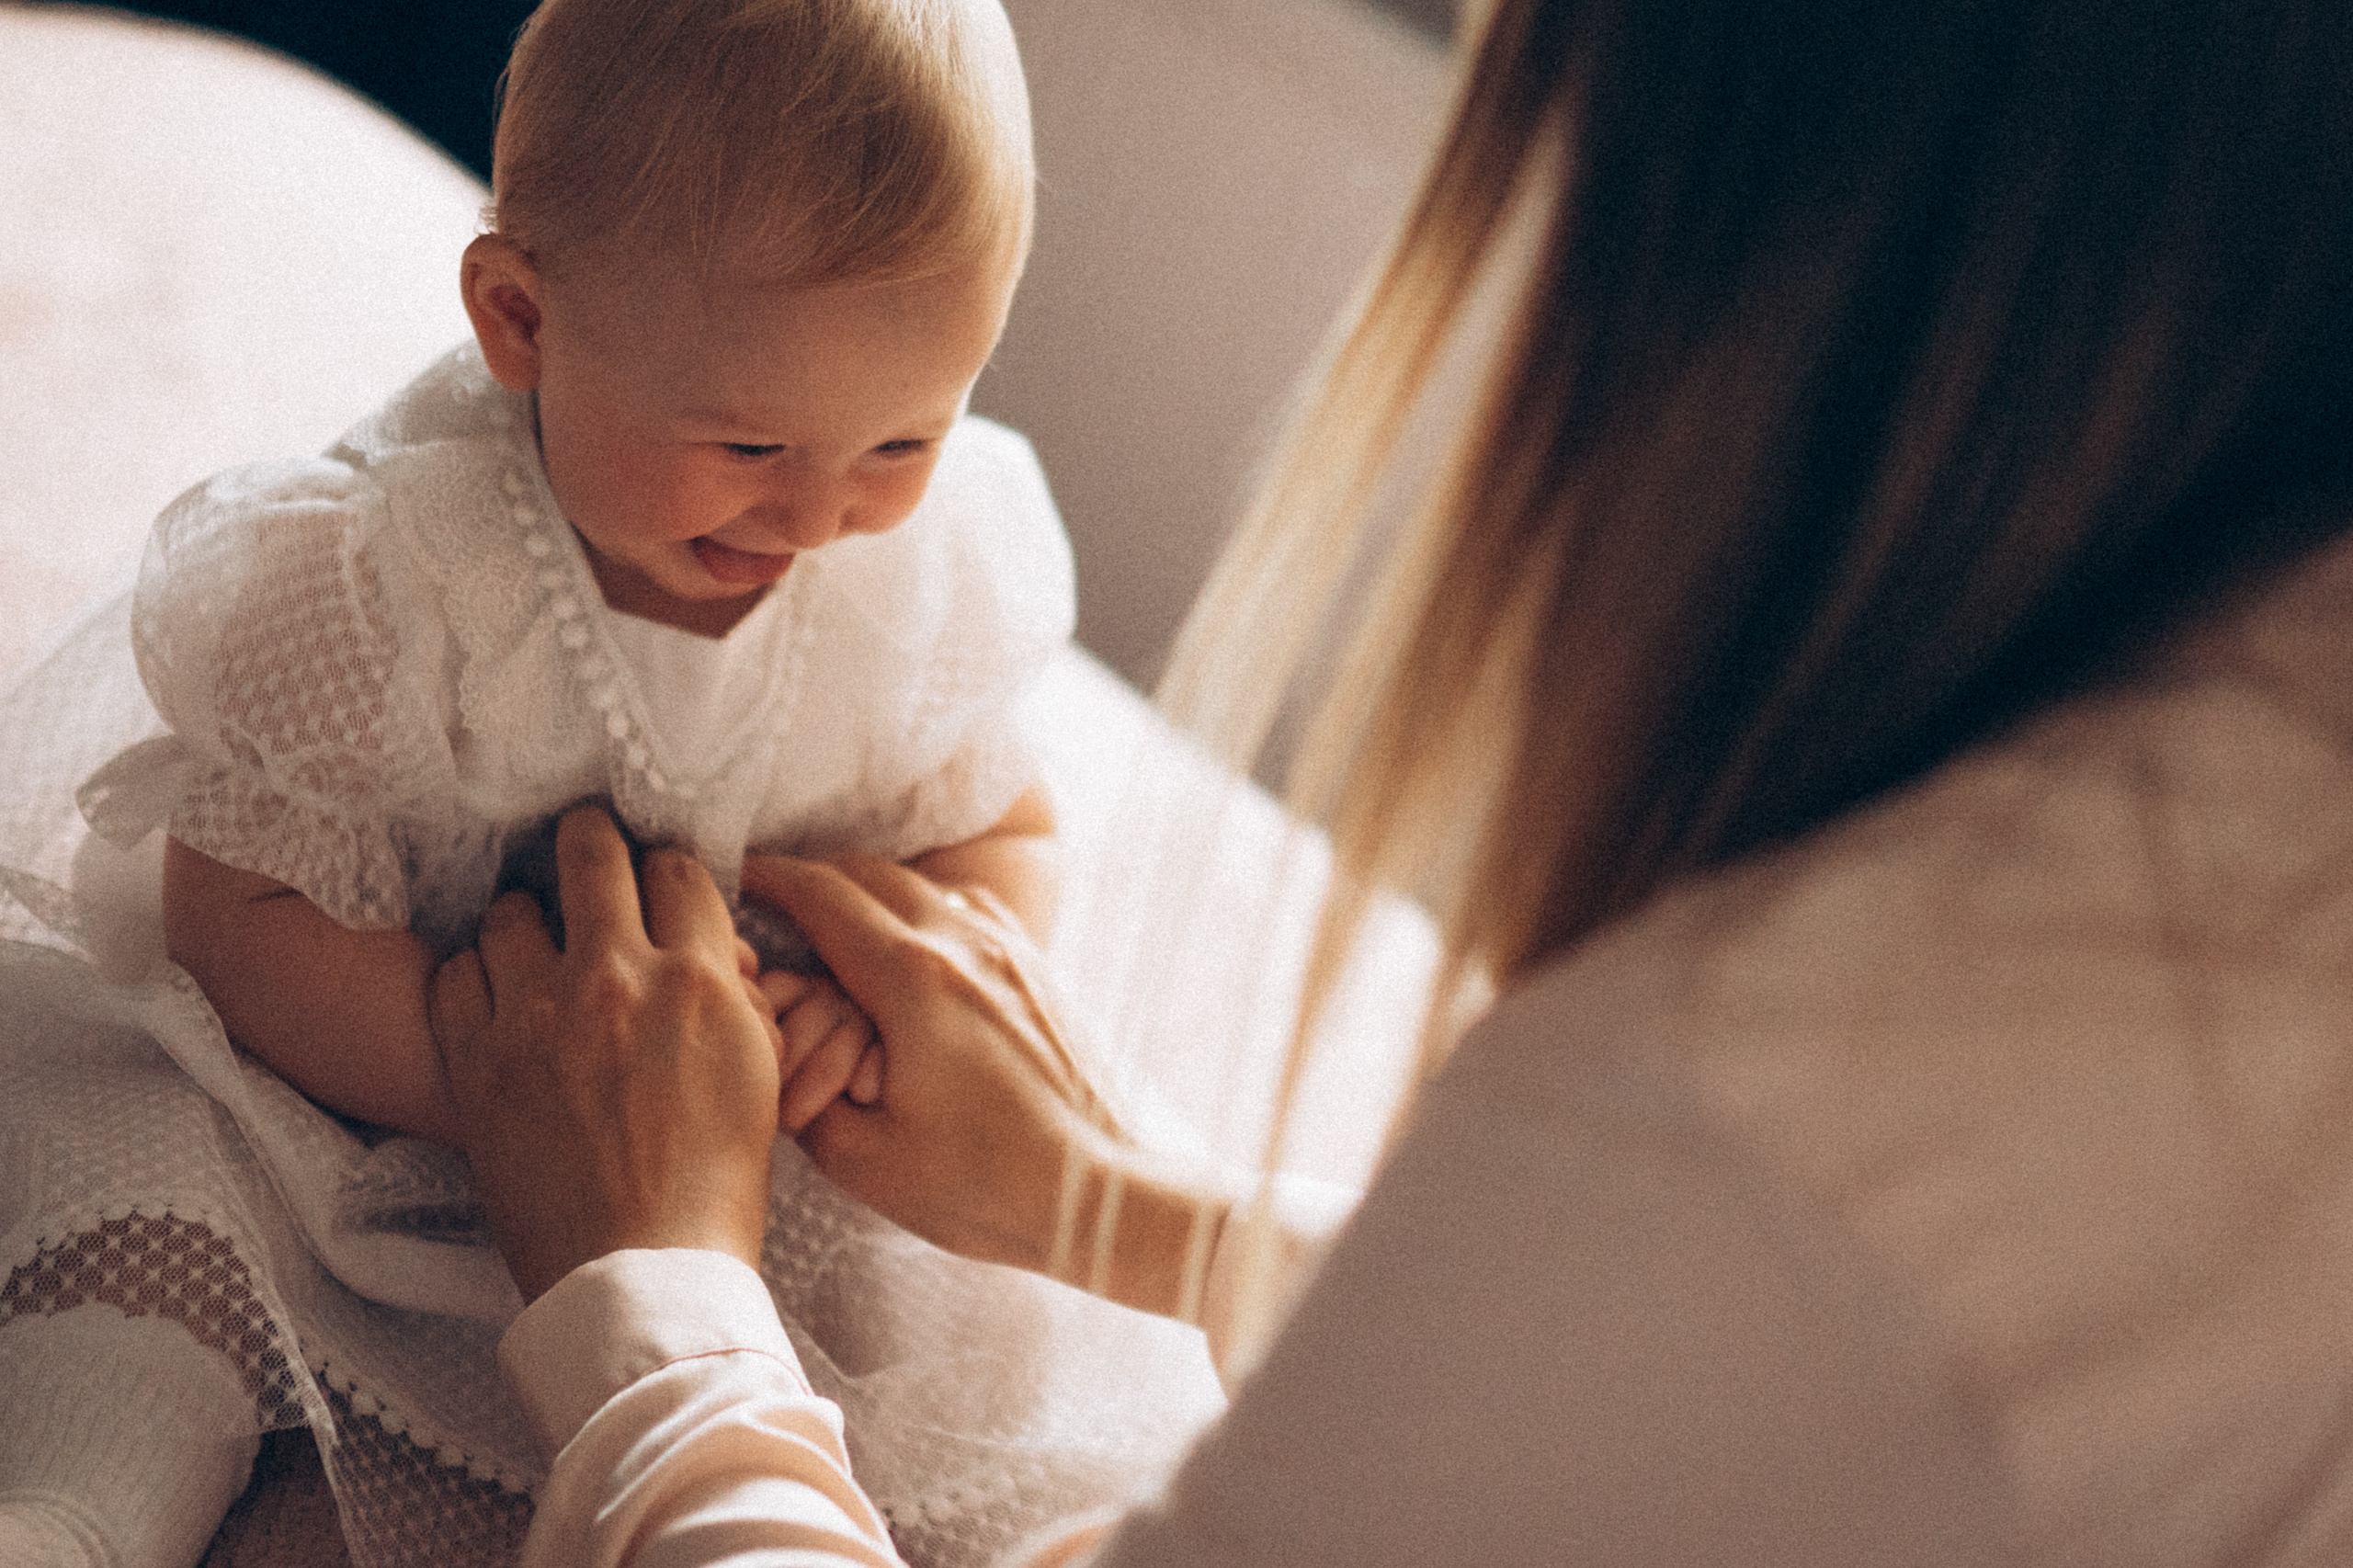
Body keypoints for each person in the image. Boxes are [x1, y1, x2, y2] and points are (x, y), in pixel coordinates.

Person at [437, 0, 2353, 1561]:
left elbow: (1754, 1291)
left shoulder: (1755, 1120)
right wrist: (1127, 1209)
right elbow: (1692, 1392)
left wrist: (655, 1296)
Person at [0, 1, 1227, 1563]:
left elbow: (1001, 826)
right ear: (520, 320)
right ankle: (83, 1508)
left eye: (904, 440)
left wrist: (877, 993)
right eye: (746, 444)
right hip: (367, 1094)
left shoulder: (928, 571)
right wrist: (492, 1091)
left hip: (733, 1141)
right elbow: (231, 906)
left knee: (974, 1334)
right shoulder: (391, 571)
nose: (820, 513)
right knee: (162, 1209)